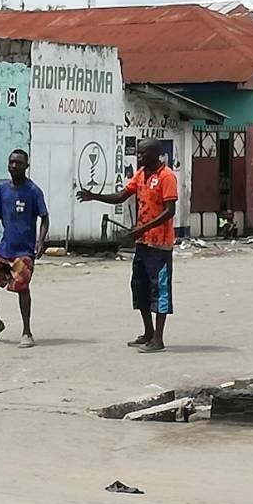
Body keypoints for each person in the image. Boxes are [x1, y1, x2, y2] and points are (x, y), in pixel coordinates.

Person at [77, 138, 177, 353]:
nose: (139, 157)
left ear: (155, 153)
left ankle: (158, 339)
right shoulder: (140, 175)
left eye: (143, 153)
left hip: (159, 244)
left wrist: (144, 228)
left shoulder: (166, 176)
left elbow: (170, 210)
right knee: (139, 287)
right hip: (142, 243)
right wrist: (95, 196)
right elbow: (122, 196)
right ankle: (147, 332)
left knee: (158, 290)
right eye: (138, 153)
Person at [0, 149, 50, 349]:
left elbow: (44, 218)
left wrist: (40, 241)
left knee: (22, 287)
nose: (14, 166)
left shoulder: (33, 191)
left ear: (26, 166)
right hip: (6, 247)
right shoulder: (1, 189)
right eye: (11, 162)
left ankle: (27, 332)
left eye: (19, 163)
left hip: (24, 250)